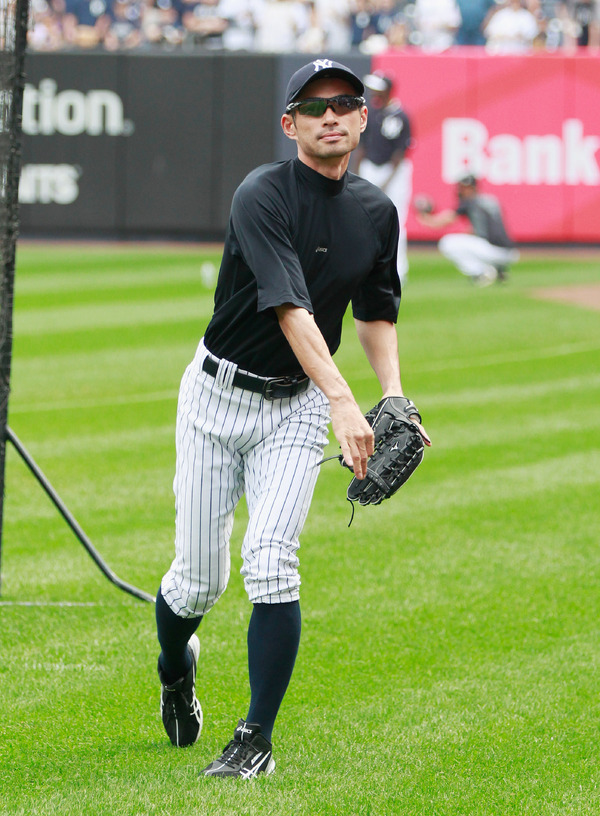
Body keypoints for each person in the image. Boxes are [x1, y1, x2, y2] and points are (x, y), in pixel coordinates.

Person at [155, 58, 431, 779]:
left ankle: (255, 739)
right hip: (217, 399)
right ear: (291, 125)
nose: (330, 115)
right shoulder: (263, 193)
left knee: (271, 561)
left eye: (344, 102)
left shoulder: (377, 212)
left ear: (364, 117)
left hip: (296, 406)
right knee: (196, 582)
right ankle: (174, 669)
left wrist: (392, 393)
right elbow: (289, 307)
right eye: (313, 107)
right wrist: (345, 398)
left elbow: (375, 310)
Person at [354, 71, 413, 285]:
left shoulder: (400, 115)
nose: (373, 92)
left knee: (396, 219)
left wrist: (387, 181)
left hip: (394, 171)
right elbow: (362, 147)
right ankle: (368, 267)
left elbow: (400, 153)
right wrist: (358, 175)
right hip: (371, 168)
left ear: (388, 90)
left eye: (378, 89)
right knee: (367, 221)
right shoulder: (370, 114)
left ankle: (398, 270)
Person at [415, 174, 519, 285]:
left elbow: (441, 222)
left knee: (447, 243)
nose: (460, 191)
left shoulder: (469, 201)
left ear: (470, 188)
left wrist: (424, 216)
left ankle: (482, 272)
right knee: (472, 241)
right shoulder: (491, 200)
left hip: (492, 250)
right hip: (510, 252)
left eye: (463, 188)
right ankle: (499, 268)